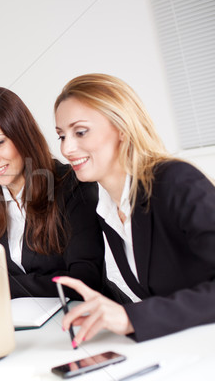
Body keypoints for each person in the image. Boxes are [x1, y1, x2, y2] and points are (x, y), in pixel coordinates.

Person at [54, 73, 215, 344]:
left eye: (80, 132)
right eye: (61, 135)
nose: (67, 148)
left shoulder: (176, 181)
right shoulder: (107, 209)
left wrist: (132, 317)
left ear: (122, 129)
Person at [0, 86, 104, 299]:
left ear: (21, 134)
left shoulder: (72, 186)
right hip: (19, 327)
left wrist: (2, 287)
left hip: (86, 318)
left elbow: (84, 281)